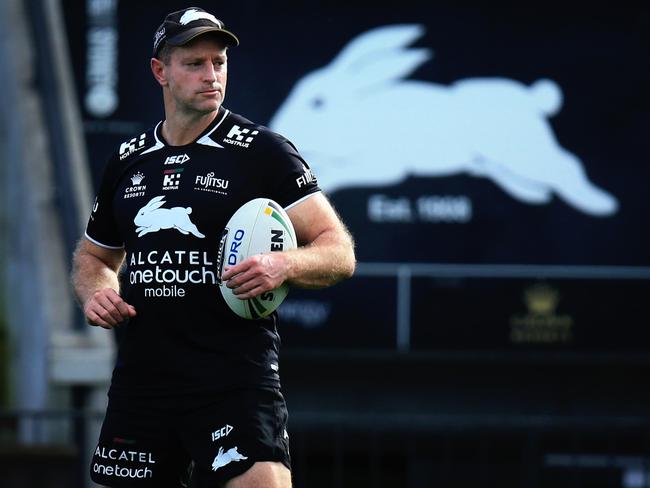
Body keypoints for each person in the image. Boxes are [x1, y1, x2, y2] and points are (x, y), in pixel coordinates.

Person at [71, 7, 355, 488]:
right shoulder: (127, 159)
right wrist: (96, 291)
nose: (211, 76)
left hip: (233, 380)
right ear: (161, 71)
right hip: (144, 381)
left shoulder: (263, 152)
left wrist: (283, 263)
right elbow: (94, 256)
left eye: (219, 62)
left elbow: (338, 250)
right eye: (195, 63)